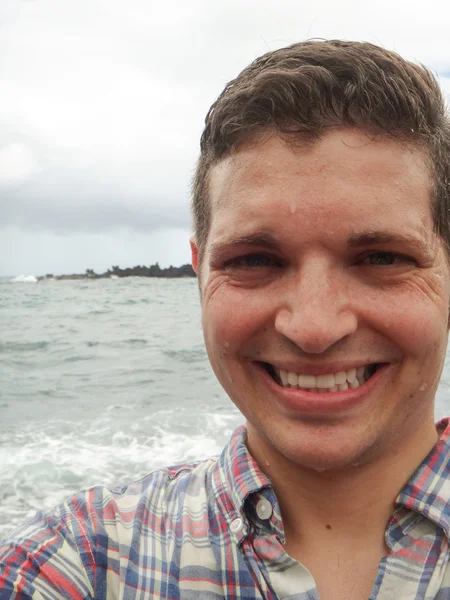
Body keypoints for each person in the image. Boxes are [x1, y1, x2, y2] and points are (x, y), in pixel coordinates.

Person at [2, 39, 450, 600]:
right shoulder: (80, 561)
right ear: (199, 273)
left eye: (382, 258)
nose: (313, 328)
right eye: (255, 261)